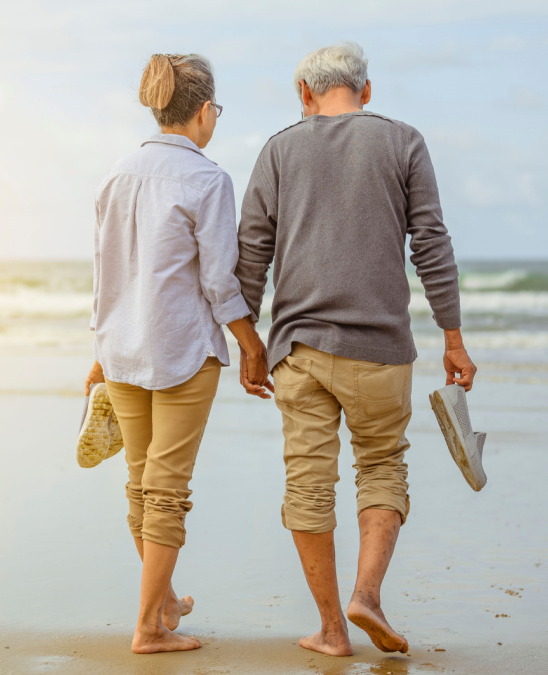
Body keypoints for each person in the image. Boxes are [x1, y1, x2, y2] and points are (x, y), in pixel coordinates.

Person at [235, 42, 477, 657]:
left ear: (305, 95)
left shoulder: (280, 149)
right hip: (381, 350)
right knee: (382, 467)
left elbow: (251, 254)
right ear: (366, 92)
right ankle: (366, 595)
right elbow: (431, 244)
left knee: (309, 485)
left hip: (300, 350)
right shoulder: (403, 141)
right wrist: (452, 336)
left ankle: (332, 630)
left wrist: (249, 344)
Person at [84, 53, 272, 655]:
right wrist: (250, 343)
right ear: (201, 111)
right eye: (215, 109)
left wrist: (98, 350)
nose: (214, 119)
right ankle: (147, 629)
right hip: (183, 350)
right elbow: (220, 281)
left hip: (121, 350)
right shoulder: (207, 179)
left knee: (141, 485)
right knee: (166, 490)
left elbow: (104, 274)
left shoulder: (117, 174)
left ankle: (161, 603)